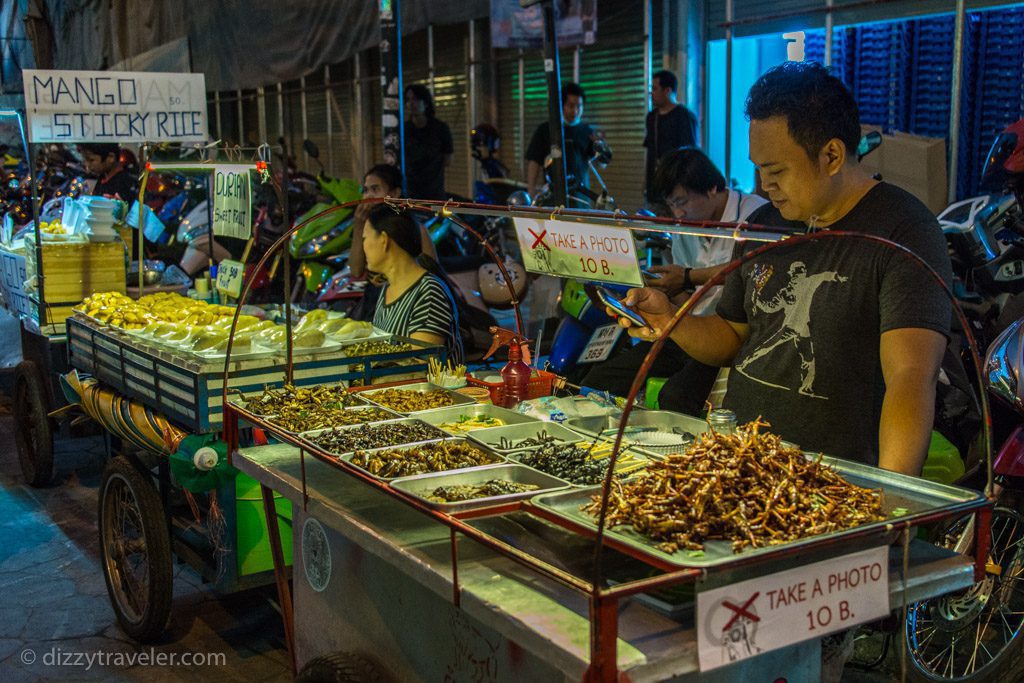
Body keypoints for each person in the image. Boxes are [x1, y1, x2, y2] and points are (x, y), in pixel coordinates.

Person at [614, 61, 952, 476]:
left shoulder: (904, 229)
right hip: (742, 458)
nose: (763, 185)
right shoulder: (767, 226)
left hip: (832, 477)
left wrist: (893, 497)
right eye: (757, 168)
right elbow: (731, 336)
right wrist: (672, 320)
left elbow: (911, 376)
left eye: (776, 170)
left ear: (831, 155)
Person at [580, 147, 766, 415]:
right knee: (599, 381)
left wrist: (688, 276)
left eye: (682, 202)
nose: (677, 213)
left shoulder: (755, 214)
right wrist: (654, 295)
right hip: (688, 327)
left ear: (712, 187)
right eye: (671, 204)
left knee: (676, 397)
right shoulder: (686, 228)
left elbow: (753, 266)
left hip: (726, 336)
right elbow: (685, 299)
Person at [364, 204, 464, 364]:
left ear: (383, 240)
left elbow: (419, 366)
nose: (364, 246)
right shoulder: (388, 289)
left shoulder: (429, 293)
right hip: (389, 386)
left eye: (365, 238)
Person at [525, 82, 595, 198]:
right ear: (562, 105)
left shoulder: (587, 132)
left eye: (579, 106)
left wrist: (602, 150)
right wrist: (531, 190)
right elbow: (534, 161)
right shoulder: (546, 129)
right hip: (552, 195)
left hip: (581, 196)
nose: (575, 111)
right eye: (571, 106)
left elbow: (598, 163)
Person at [644, 70, 698, 207]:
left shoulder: (684, 116)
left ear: (667, 90)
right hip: (655, 188)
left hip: (677, 187)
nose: (651, 94)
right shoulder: (652, 117)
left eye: (655, 89)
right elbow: (650, 152)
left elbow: (690, 154)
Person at [403, 84, 454, 200]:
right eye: (408, 100)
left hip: (434, 190)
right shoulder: (403, 129)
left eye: (416, 99)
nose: (411, 103)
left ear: (425, 102)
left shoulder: (440, 128)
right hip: (410, 191)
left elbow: (448, 160)